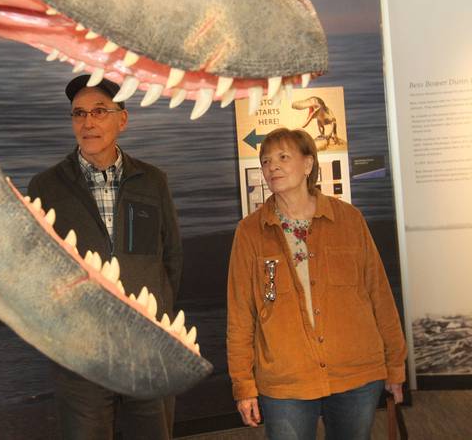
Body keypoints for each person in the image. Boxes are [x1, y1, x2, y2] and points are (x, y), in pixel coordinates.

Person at [28, 74, 183, 440]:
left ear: (122, 120)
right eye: (79, 114)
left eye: (99, 111)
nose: (88, 122)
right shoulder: (46, 187)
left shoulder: (152, 181)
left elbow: (171, 259)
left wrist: (156, 313)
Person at [226, 127, 407, 440]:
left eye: (283, 157)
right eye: (266, 161)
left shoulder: (349, 220)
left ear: (308, 164)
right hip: (286, 381)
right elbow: (241, 315)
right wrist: (244, 387)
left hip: (356, 374)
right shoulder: (250, 232)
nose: (273, 167)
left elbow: (380, 295)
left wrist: (395, 365)